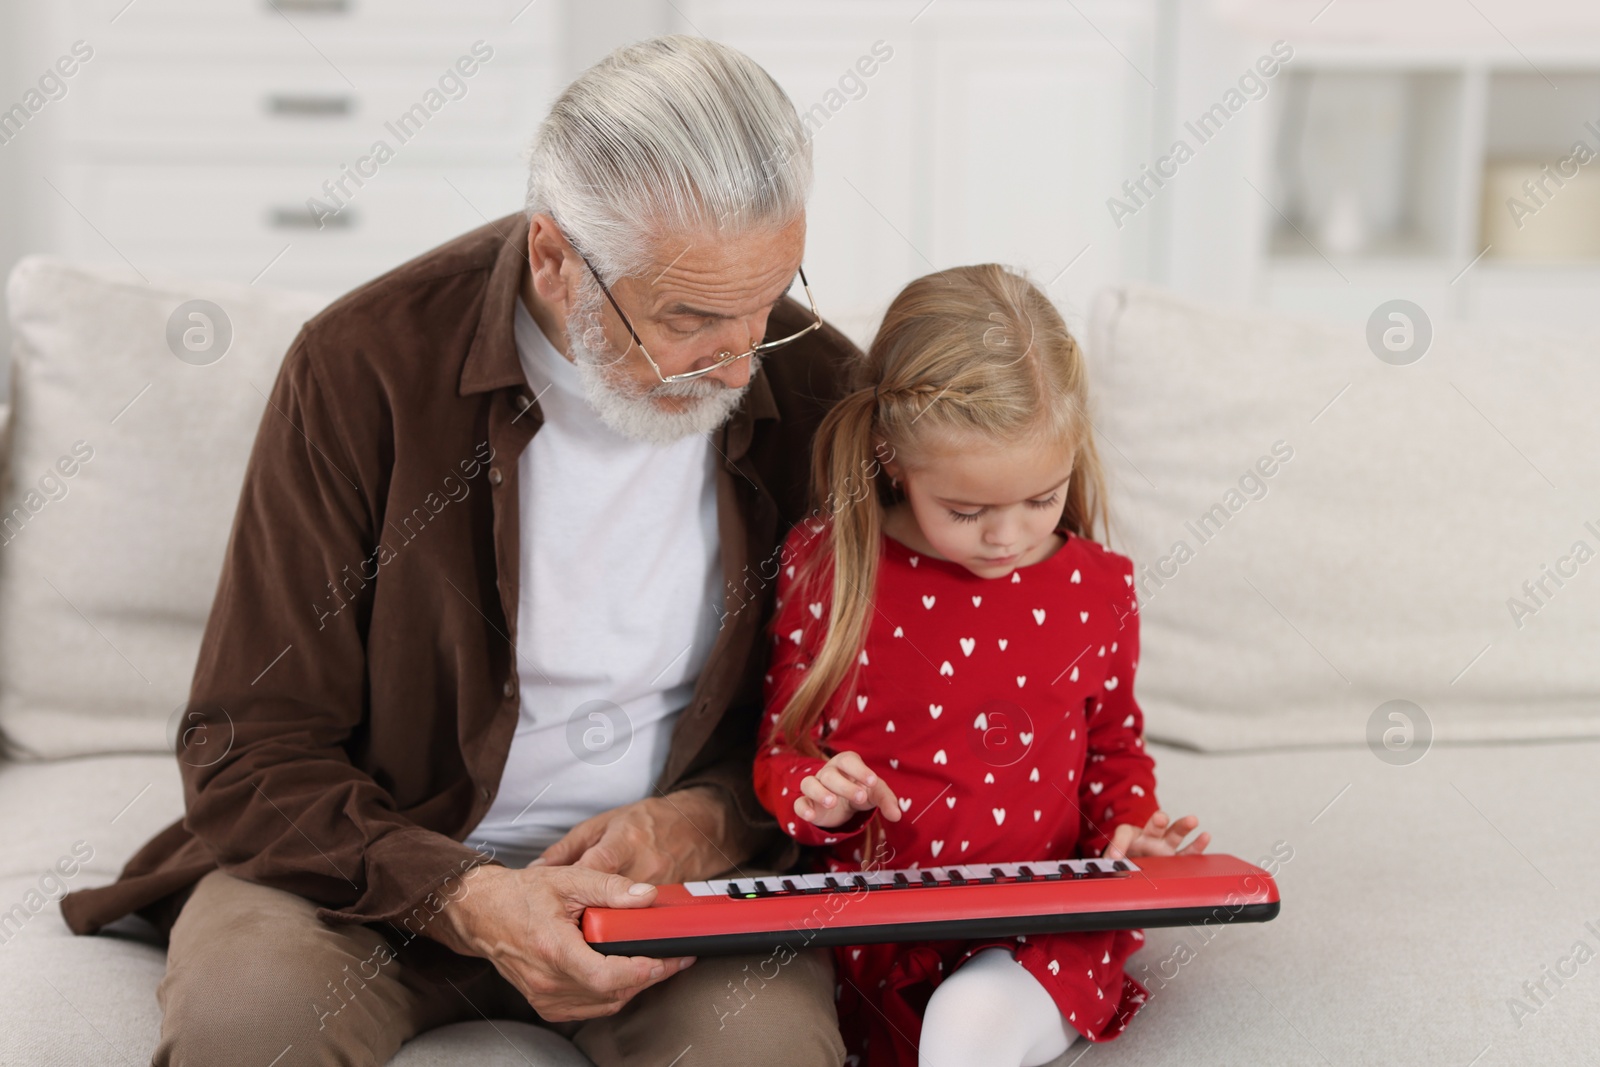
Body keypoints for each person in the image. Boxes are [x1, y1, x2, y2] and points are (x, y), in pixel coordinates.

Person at [60, 36, 856, 1067]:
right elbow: (246, 743)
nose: (741, 363)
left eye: (764, 304)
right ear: (554, 257)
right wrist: (466, 895)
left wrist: (713, 820)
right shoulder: (364, 368)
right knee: (246, 1030)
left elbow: (860, 717)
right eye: (691, 318)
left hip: (673, 898)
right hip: (368, 881)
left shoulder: (816, 385)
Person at [753, 264, 1212, 1067]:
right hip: (879, 933)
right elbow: (781, 754)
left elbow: (1113, 750)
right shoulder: (827, 568)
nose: (1008, 537)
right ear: (892, 457)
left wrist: (1129, 829)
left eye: (1042, 499)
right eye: (967, 512)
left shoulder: (1095, 586)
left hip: (1046, 925)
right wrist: (819, 798)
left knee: (967, 1027)